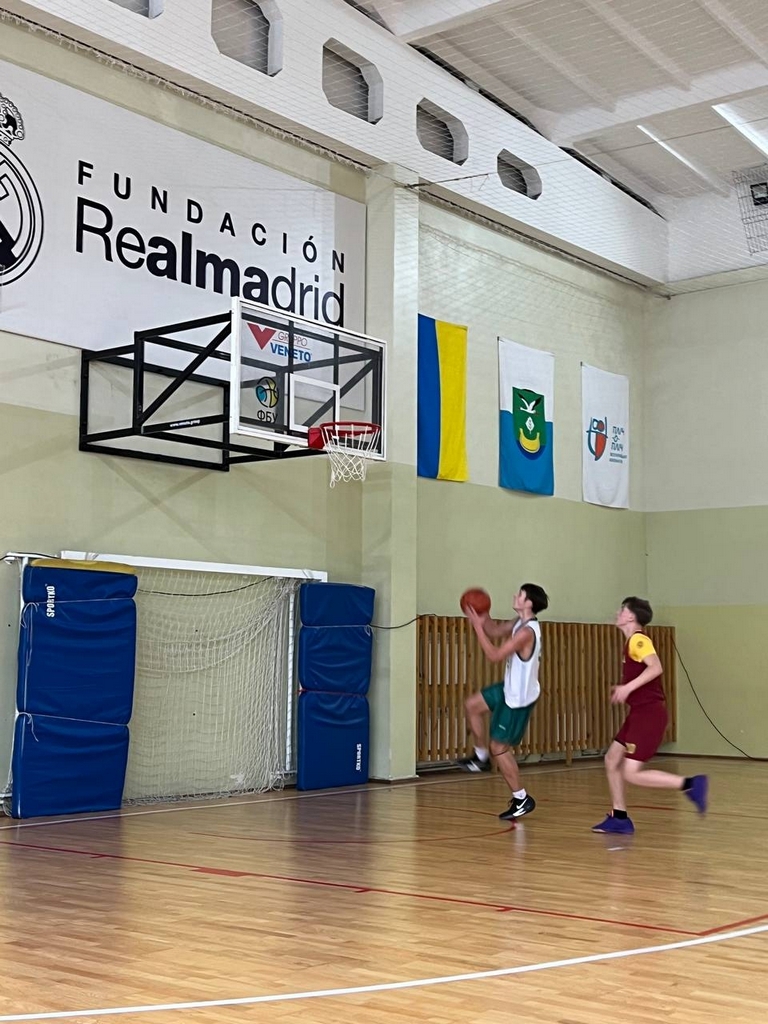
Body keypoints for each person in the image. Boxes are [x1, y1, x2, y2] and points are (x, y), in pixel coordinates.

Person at [592, 596, 708, 835]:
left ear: (630, 616)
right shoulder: (631, 642)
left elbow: (656, 667)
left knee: (631, 772)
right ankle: (620, 818)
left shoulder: (639, 640)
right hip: (639, 713)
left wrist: (627, 688)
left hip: (649, 715)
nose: (617, 613)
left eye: (622, 610)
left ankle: (690, 784)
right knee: (612, 759)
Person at [457, 584, 548, 821]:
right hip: (509, 687)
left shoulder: (526, 633)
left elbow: (495, 655)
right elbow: (496, 631)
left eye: (520, 594)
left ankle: (521, 798)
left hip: (518, 698)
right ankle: (480, 757)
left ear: (529, 603)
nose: (515, 596)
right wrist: (482, 616)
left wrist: (477, 627)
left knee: (499, 748)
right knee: (472, 705)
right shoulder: (519, 622)